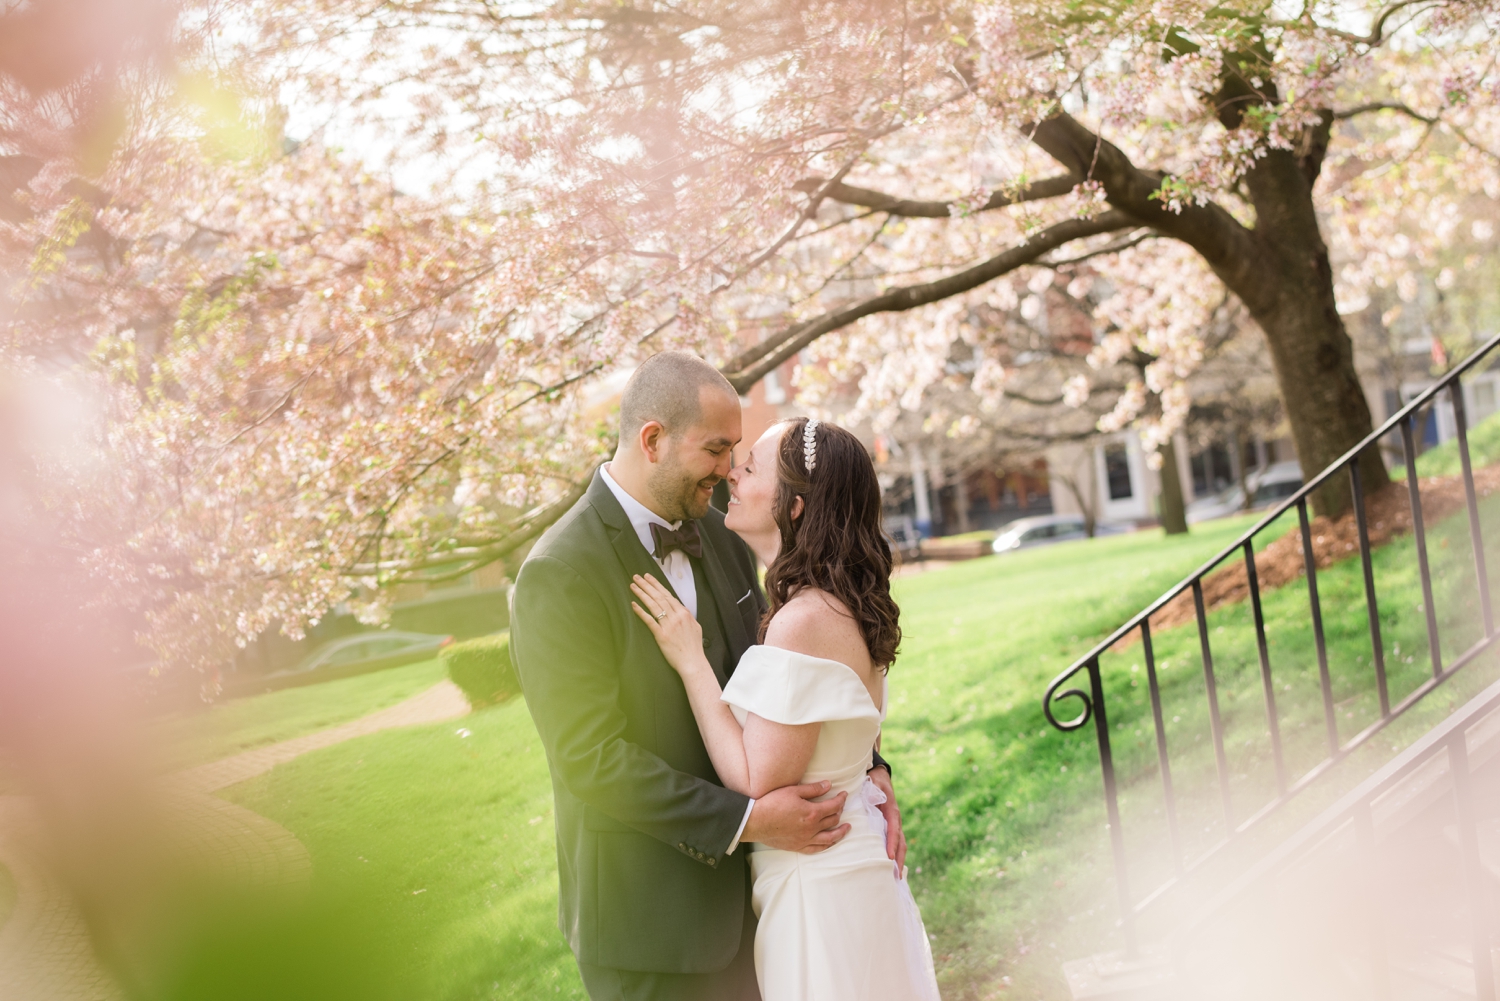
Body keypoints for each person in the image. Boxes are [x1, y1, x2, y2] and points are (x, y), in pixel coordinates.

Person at [510, 351, 904, 1001]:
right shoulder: (560, 571)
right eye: (717, 449)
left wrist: (868, 768)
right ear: (653, 439)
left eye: (737, 452)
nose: (728, 470)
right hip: (654, 926)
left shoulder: (723, 534)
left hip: (758, 904)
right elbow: (590, 759)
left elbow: (793, 676)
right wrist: (749, 820)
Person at [629, 415, 941, 1001]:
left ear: (794, 506)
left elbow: (754, 778)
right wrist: (875, 775)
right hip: (844, 868)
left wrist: (691, 660)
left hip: (818, 891)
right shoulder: (837, 602)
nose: (731, 477)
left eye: (749, 469)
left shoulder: (803, 621)